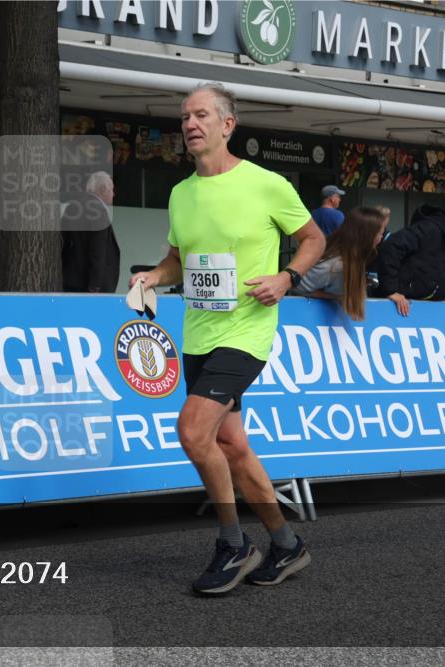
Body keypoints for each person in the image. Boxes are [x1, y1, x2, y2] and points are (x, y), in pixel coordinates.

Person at [129, 82, 325, 596]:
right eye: (184, 118)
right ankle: (287, 544)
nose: (190, 125)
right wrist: (153, 276)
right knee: (232, 446)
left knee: (193, 432)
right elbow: (178, 259)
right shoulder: (181, 193)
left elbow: (313, 238)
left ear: (227, 125)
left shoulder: (267, 184)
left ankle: (233, 543)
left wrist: (287, 277)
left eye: (200, 115)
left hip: (246, 331)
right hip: (199, 333)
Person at [292, 206, 388, 320]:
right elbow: (296, 287)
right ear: (367, 236)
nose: (381, 238)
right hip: (307, 317)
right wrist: (335, 297)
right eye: (380, 233)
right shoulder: (335, 265)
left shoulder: (353, 258)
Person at [61, 171, 121, 293]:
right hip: (92, 286)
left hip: (70, 280)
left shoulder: (72, 207)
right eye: (112, 190)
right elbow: (98, 250)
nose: (113, 194)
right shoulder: (98, 211)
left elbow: (64, 243)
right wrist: (95, 286)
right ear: (103, 189)